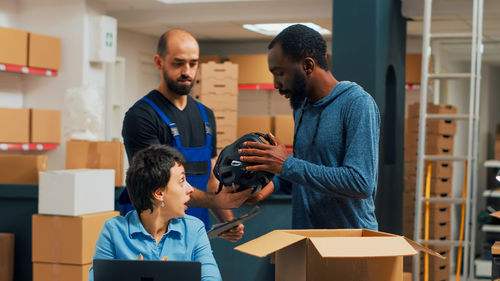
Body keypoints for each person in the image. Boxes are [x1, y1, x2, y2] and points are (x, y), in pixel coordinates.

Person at [120, 29, 273, 241]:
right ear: (158, 62)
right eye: (178, 63)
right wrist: (216, 201)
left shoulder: (205, 115)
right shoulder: (142, 116)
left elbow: (211, 175)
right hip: (152, 237)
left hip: (195, 234)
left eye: (193, 63)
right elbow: (157, 185)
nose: (187, 71)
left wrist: (226, 218)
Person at [239, 24, 380, 230]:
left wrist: (286, 164)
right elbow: (302, 178)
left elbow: (360, 182)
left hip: (351, 243)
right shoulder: (302, 108)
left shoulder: (357, 103)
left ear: (307, 65)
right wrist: (267, 187)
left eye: (280, 73)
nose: (276, 84)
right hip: (307, 238)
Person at [89, 145, 221, 281]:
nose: (190, 189)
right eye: (182, 181)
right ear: (159, 193)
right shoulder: (114, 231)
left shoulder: (194, 229)